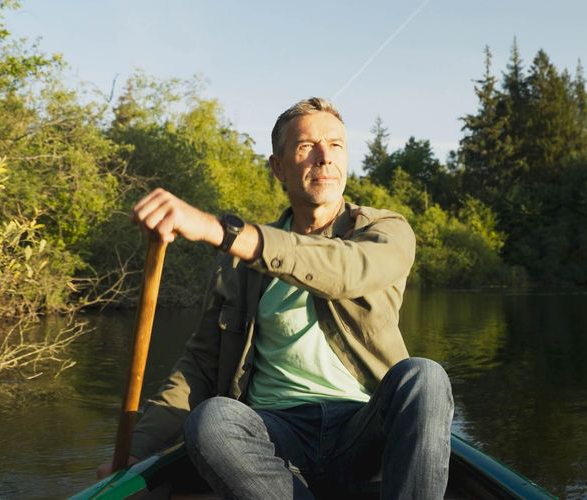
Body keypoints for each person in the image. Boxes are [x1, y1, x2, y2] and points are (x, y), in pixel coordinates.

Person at [98, 97, 454, 499]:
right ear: (278, 168)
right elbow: (200, 365)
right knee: (212, 419)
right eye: (306, 147)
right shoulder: (238, 267)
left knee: (424, 377)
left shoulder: (385, 230)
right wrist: (135, 453)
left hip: (364, 429)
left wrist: (223, 231)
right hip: (274, 436)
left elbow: (343, 271)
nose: (324, 158)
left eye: (336, 145)